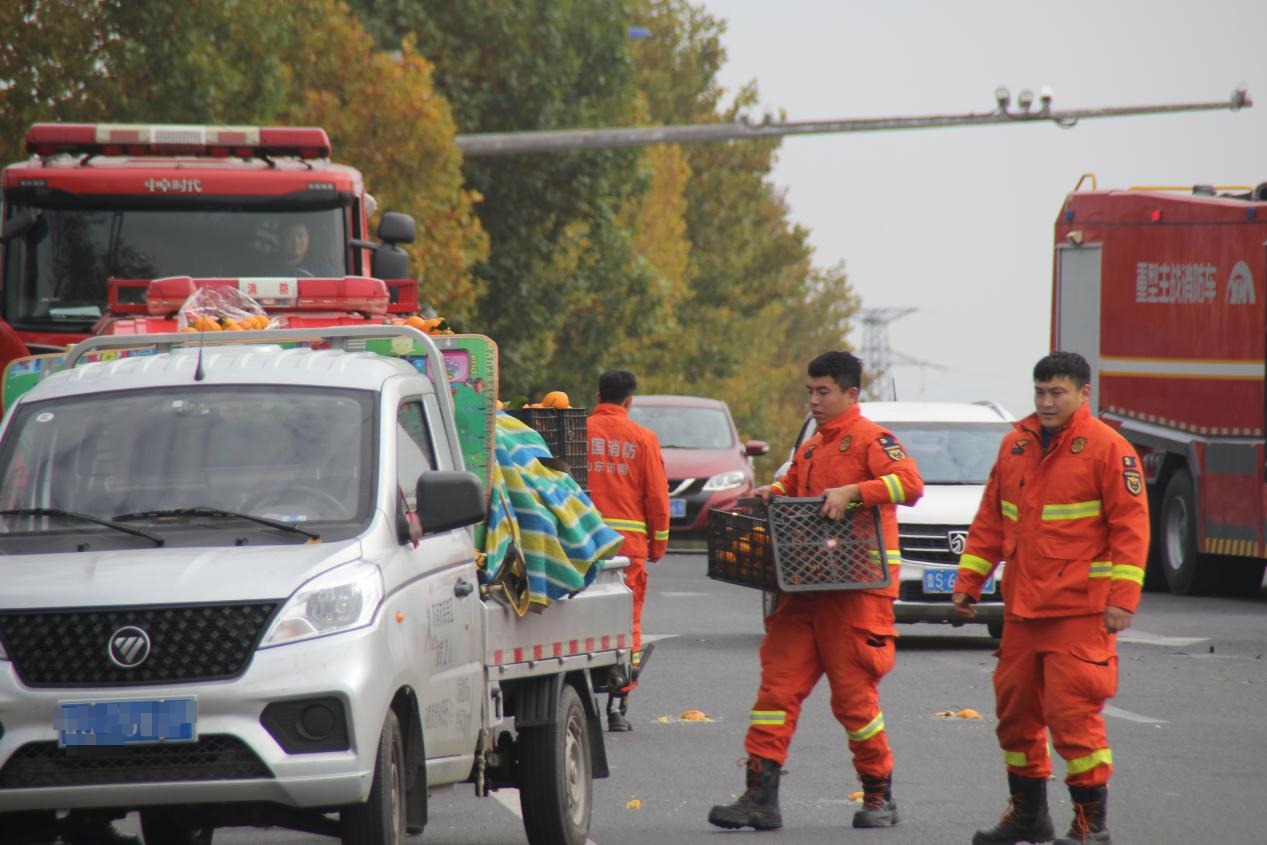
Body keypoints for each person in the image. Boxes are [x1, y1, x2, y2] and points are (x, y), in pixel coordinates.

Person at [708, 350, 923, 832]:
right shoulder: (811, 448)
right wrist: (774, 492)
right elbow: (796, 488)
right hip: (804, 589)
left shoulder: (873, 439)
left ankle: (878, 796)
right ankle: (760, 797)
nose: (815, 401)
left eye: (823, 392)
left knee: (854, 701)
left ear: (851, 394)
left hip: (855, 595)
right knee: (774, 691)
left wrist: (854, 492)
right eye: (810, 392)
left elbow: (909, 483)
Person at [952, 351, 1148, 845]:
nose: (1045, 402)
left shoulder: (1108, 449)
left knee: (1072, 717)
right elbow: (992, 521)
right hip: (1022, 610)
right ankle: (1028, 816)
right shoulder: (1014, 445)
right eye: (1040, 392)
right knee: (1015, 716)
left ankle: (1089, 825)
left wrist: (1122, 598)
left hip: (1078, 611)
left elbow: (1130, 527)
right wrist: (968, 582)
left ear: (1085, 394)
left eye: (1057, 393)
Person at [585, 369, 670, 732]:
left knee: (579, 623)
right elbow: (656, 498)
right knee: (627, 624)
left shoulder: (579, 432)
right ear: (629, 400)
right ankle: (618, 704)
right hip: (628, 548)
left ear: (599, 394)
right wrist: (659, 545)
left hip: (581, 545)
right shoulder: (643, 439)